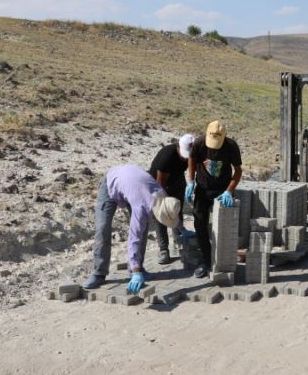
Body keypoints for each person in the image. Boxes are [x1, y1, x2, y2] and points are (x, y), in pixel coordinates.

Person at [82, 164, 181, 293]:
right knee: (103, 228)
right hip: (110, 183)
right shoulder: (141, 207)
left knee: (143, 229)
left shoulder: (163, 196)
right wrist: (136, 272)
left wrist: (182, 229)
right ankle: (99, 273)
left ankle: (137, 267)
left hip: (131, 185)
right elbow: (134, 237)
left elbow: (171, 210)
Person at [185, 120, 242, 278]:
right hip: (203, 189)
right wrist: (190, 181)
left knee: (225, 225)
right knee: (199, 223)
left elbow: (238, 171)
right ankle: (206, 259)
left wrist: (229, 191)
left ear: (224, 136)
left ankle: (224, 259)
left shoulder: (231, 146)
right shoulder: (199, 143)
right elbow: (192, 159)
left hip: (222, 190)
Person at [148, 133, 195, 264]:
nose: (187, 159)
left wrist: (191, 181)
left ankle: (178, 236)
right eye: (185, 155)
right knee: (162, 213)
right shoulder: (167, 156)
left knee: (176, 207)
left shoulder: (192, 152)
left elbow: (192, 161)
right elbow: (160, 185)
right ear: (179, 147)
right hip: (158, 183)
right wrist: (163, 201)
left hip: (177, 179)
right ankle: (164, 250)